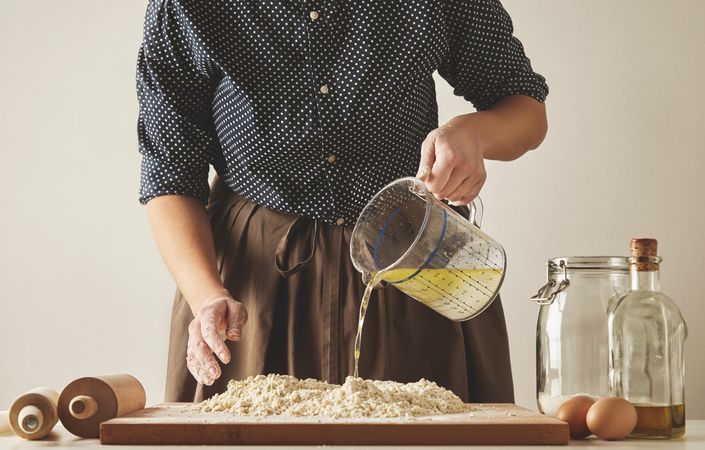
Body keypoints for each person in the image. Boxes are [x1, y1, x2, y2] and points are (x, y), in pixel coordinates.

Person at [135, 0, 548, 403]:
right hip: (252, 287)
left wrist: (473, 132)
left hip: (413, 263)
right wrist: (206, 295)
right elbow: (170, 177)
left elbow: (526, 110)